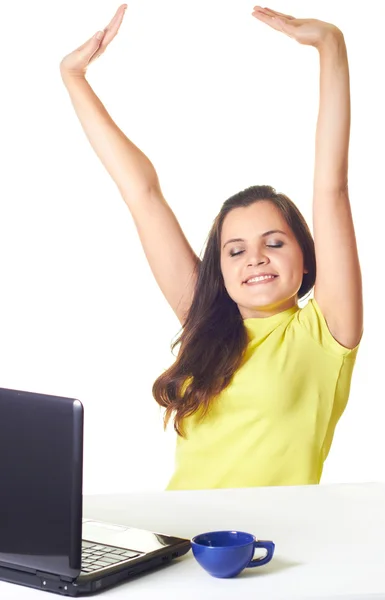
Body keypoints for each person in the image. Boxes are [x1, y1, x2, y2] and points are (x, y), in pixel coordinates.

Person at [60, 5, 363, 491]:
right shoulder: (206, 325)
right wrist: (73, 77)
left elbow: (332, 186)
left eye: (274, 242)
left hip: (267, 552)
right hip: (179, 544)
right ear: (219, 269)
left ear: (306, 257)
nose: (255, 258)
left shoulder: (325, 332)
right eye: (235, 250)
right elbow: (143, 193)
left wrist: (331, 46)